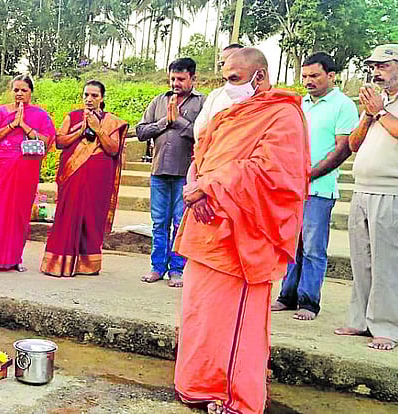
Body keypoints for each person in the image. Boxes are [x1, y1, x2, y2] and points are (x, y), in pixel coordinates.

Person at [173, 48, 310, 414]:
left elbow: (274, 173)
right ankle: (198, 385)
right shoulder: (228, 114)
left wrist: (212, 185)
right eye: (225, 78)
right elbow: (202, 154)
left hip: (245, 235)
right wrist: (196, 186)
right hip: (207, 229)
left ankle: (234, 397)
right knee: (200, 313)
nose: (228, 87)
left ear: (260, 77)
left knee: (235, 322)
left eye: (235, 79)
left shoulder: (283, 116)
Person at [336, 44, 398, 351]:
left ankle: (387, 328)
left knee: (388, 263)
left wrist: (380, 110)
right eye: (374, 66)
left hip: (396, 191)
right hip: (364, 189)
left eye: (383, 66)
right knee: (362, 261)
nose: (376, 72)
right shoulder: (376, 103)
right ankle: (361, 320)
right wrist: (368, 115)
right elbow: (353, 145)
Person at [272, 52, 358, 321]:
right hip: (292, 188)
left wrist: (309, 175)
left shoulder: (343, 106)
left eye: (314, 76)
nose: (308, 81)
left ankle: (309, 302)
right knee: (290, 244)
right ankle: (287, 296)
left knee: (312, 248)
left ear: (331, 76)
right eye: (305, 76)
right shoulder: (301, 105)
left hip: (319, 189)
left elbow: (343, 149)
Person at [40, 80, 128, 277]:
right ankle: (59, 263)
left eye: (94, 95)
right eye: (86, 95)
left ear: (102, 98)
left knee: (91, 217)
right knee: (67, 214)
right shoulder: (72, 117)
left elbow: (113, 149)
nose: (89, 99)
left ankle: (87, 265)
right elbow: (60, 142)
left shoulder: (111, 121)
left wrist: (97, 129)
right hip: (73, 175)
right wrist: (80, 131)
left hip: (98, 179)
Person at [136, 58, 205, 288]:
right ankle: (157, 267)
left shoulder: (202, 103)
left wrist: (180, 122)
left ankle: (177, 269)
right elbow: (141, 131)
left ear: (193, 79)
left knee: (180, 222)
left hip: (186, 175)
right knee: (158, 223)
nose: (176, 83)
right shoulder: (159, 101)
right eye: (173, 78)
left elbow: (204, 135)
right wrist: (165, 122)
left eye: (181, 79)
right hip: (159, 172)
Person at [0, 75, 57, 271]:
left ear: (30, 92)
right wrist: (12, 125)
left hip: (26, 169)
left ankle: (14, 259)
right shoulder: (1, 111)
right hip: (4, 166)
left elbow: (47, 141)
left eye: (24, 90)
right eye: (16, 90)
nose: (19, 93)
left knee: (20, 212)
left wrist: (24, 125)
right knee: (1, 210)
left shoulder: (40, 115)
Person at [192, 43, 244, 139]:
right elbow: (200, 130)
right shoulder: (215, 95)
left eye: (233, 62)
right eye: (223, 64)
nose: (228, 67)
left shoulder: (259, 96)